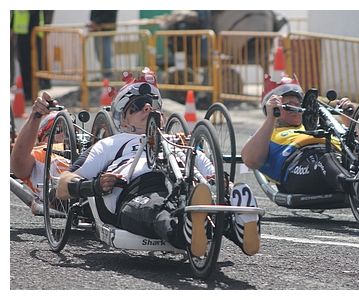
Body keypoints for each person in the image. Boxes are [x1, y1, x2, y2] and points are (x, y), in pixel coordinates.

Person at [55, 67, 261, 257]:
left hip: (186, 184)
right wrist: (94, 185)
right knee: (156, 207)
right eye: (137, 105)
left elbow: (212, 175)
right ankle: (189, 226)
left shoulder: (179, 143)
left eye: (153, 104)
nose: (147, 107)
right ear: (123, 118)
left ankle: (237, 224)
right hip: (138, 190)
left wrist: (225, 185)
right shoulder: (110, 144)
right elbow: (63, 185)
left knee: (212, 196)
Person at [241, 73, 359, 206]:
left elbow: (353, 146)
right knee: (323, 157)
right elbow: (250, 159)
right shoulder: (267, 132)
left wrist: (348, 118)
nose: (295, 107)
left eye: (298, 103)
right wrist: (271, 117)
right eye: (288, 104)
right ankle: (356, 186)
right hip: (298, 172)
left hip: (336, 161)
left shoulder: (314, 127)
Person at [10, 92, 69, 214]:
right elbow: (19, 164)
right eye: (57, 130)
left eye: (69, 130)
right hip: (65, 190)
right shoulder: (39, 154)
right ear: (42, 138)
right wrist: (35, 116)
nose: (63, 135)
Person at [88, 10, 118, 79]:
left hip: (107, 30)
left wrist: (97, 21)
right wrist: (93, 21)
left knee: (106, 54)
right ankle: (106, 76)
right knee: (100, 55)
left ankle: (108, 75)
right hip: (97, 30)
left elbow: (111, 13)